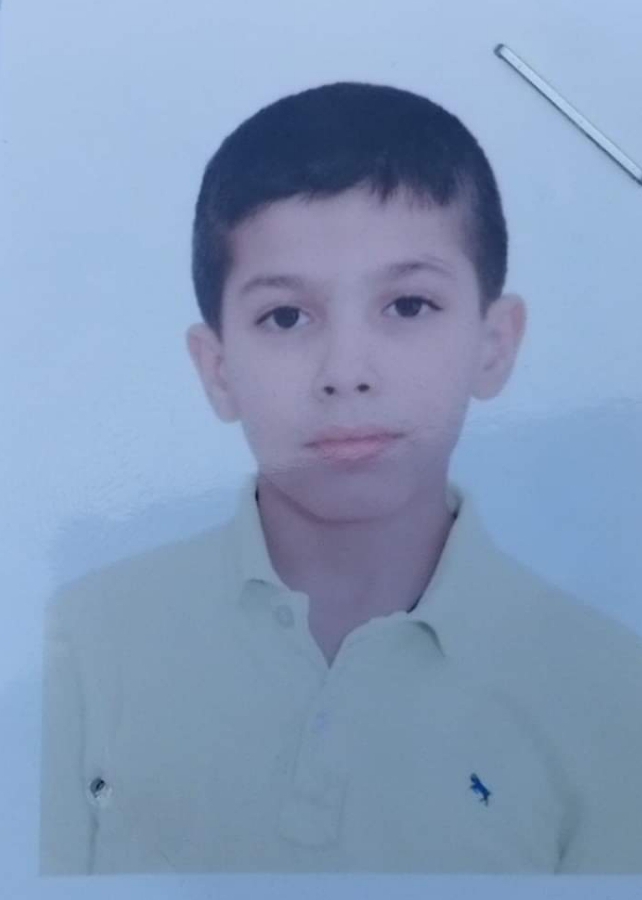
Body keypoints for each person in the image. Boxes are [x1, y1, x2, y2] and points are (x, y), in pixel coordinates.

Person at [39, 81, 642, 875]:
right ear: (217, 368)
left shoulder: (609, 686)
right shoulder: (84, 642)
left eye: (408, 306)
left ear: (494, 344)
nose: (346, 371)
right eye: (287, 317)